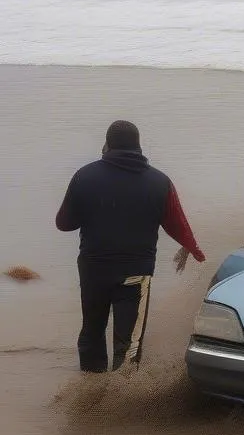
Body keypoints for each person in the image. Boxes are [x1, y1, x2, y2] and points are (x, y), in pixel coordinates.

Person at [55, 120, 205, 373]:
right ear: (138, 146)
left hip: (94, 271)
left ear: (107, 145)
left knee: (92, 331)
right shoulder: (160, 181)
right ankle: (121, 400)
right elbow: (176, 223)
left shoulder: (85, 175)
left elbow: (64, 223)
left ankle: (89, 395)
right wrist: (192, 248)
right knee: (129, 342)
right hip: (136, 274)